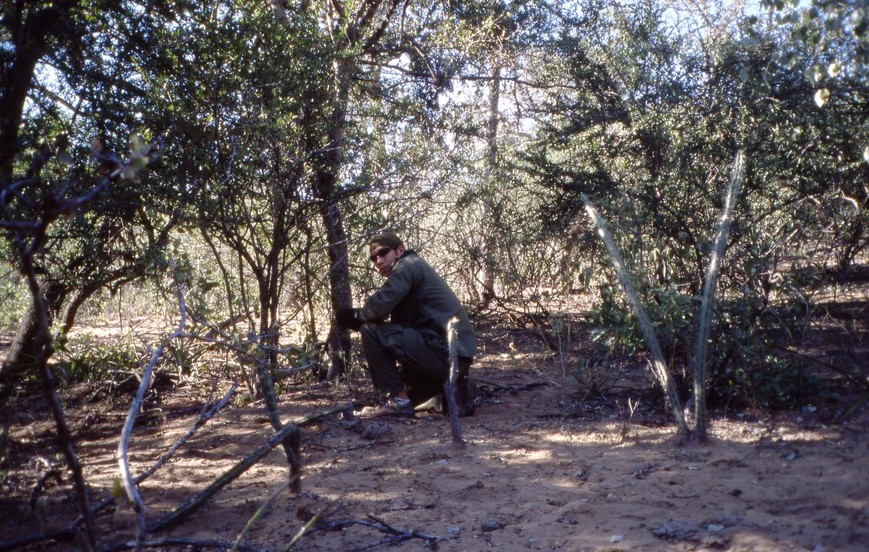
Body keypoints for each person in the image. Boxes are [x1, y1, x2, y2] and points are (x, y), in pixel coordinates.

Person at [336, 231, 477, 418]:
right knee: (411, 392)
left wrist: (357, 316)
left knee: (370, 331)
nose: (378, 261)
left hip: (445, 355)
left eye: (383, 253)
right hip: (451, 358)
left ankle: (399, 402)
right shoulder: (414, 271)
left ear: (400, 250)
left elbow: (379, 305)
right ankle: (452, 392)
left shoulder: (408, 265)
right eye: (373, 258)